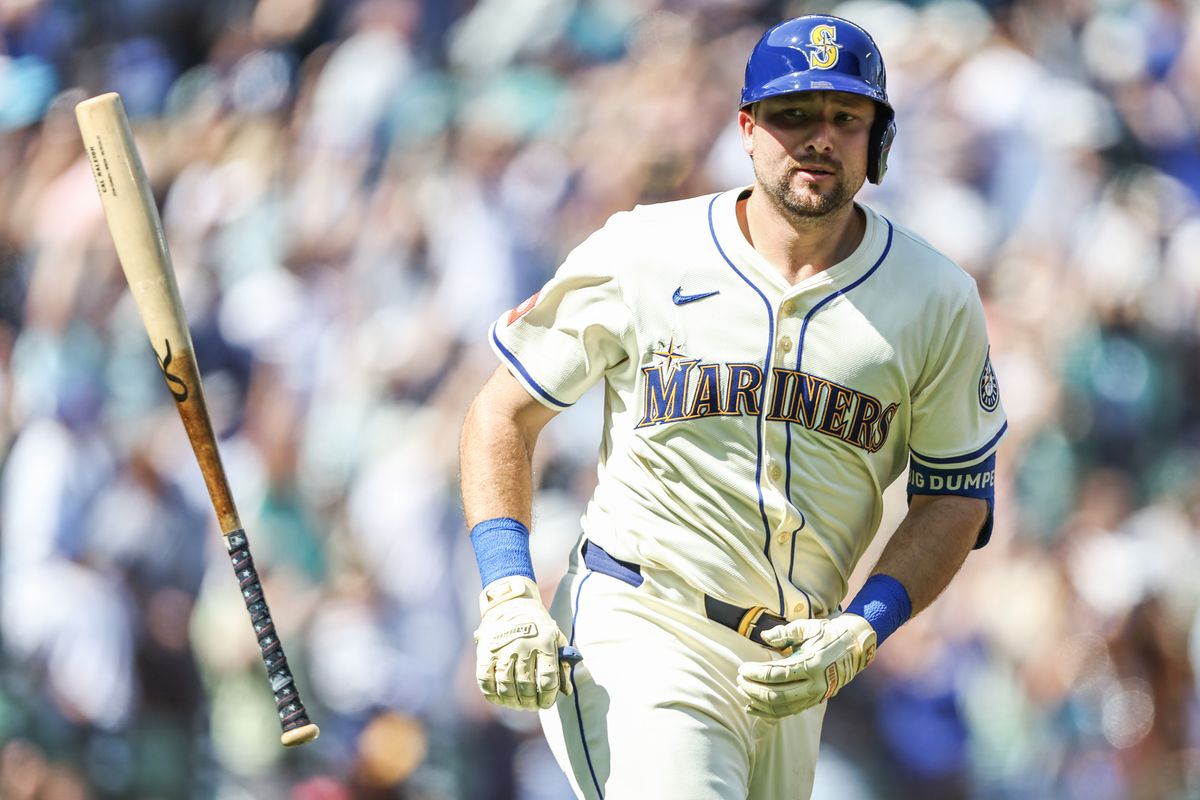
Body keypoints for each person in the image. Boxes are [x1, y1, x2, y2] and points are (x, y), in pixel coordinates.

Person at [458, 14, 1007, 800]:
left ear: (878, 139)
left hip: (793, 666)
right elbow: (500, 414)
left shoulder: (936, 298)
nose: (819, 138)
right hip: (643, 619)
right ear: (747, 131)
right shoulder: (646, 250)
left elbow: (955, 498)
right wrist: (508, 588)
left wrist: (864, 626)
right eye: (792, 115)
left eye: (845, 118)